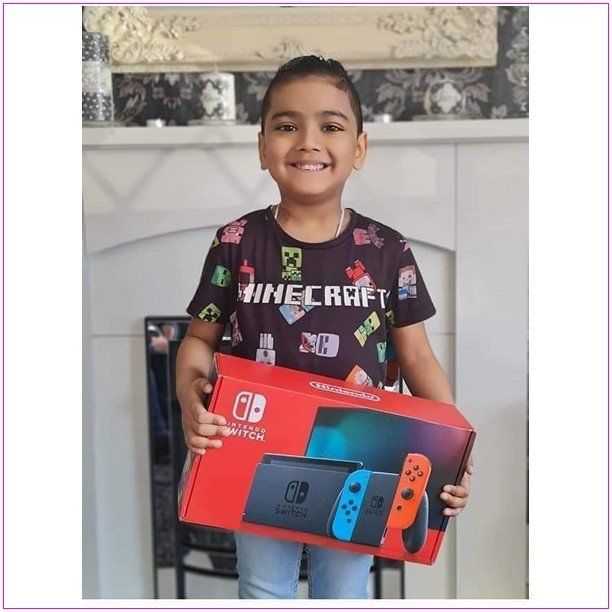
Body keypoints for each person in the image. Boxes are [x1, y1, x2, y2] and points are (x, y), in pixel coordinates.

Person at [176, 55, 474, 600]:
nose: (308, 142)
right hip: (255, 451)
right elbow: (199, 338)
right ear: (262, 147)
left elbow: (418, 359)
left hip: (359, 457)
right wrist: (189, 399)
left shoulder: (387, 250)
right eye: (287, 126)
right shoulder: (236, 241)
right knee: (263, 586)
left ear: (358, 148)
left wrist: (453, 448)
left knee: (343, 590)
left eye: (331, 127)